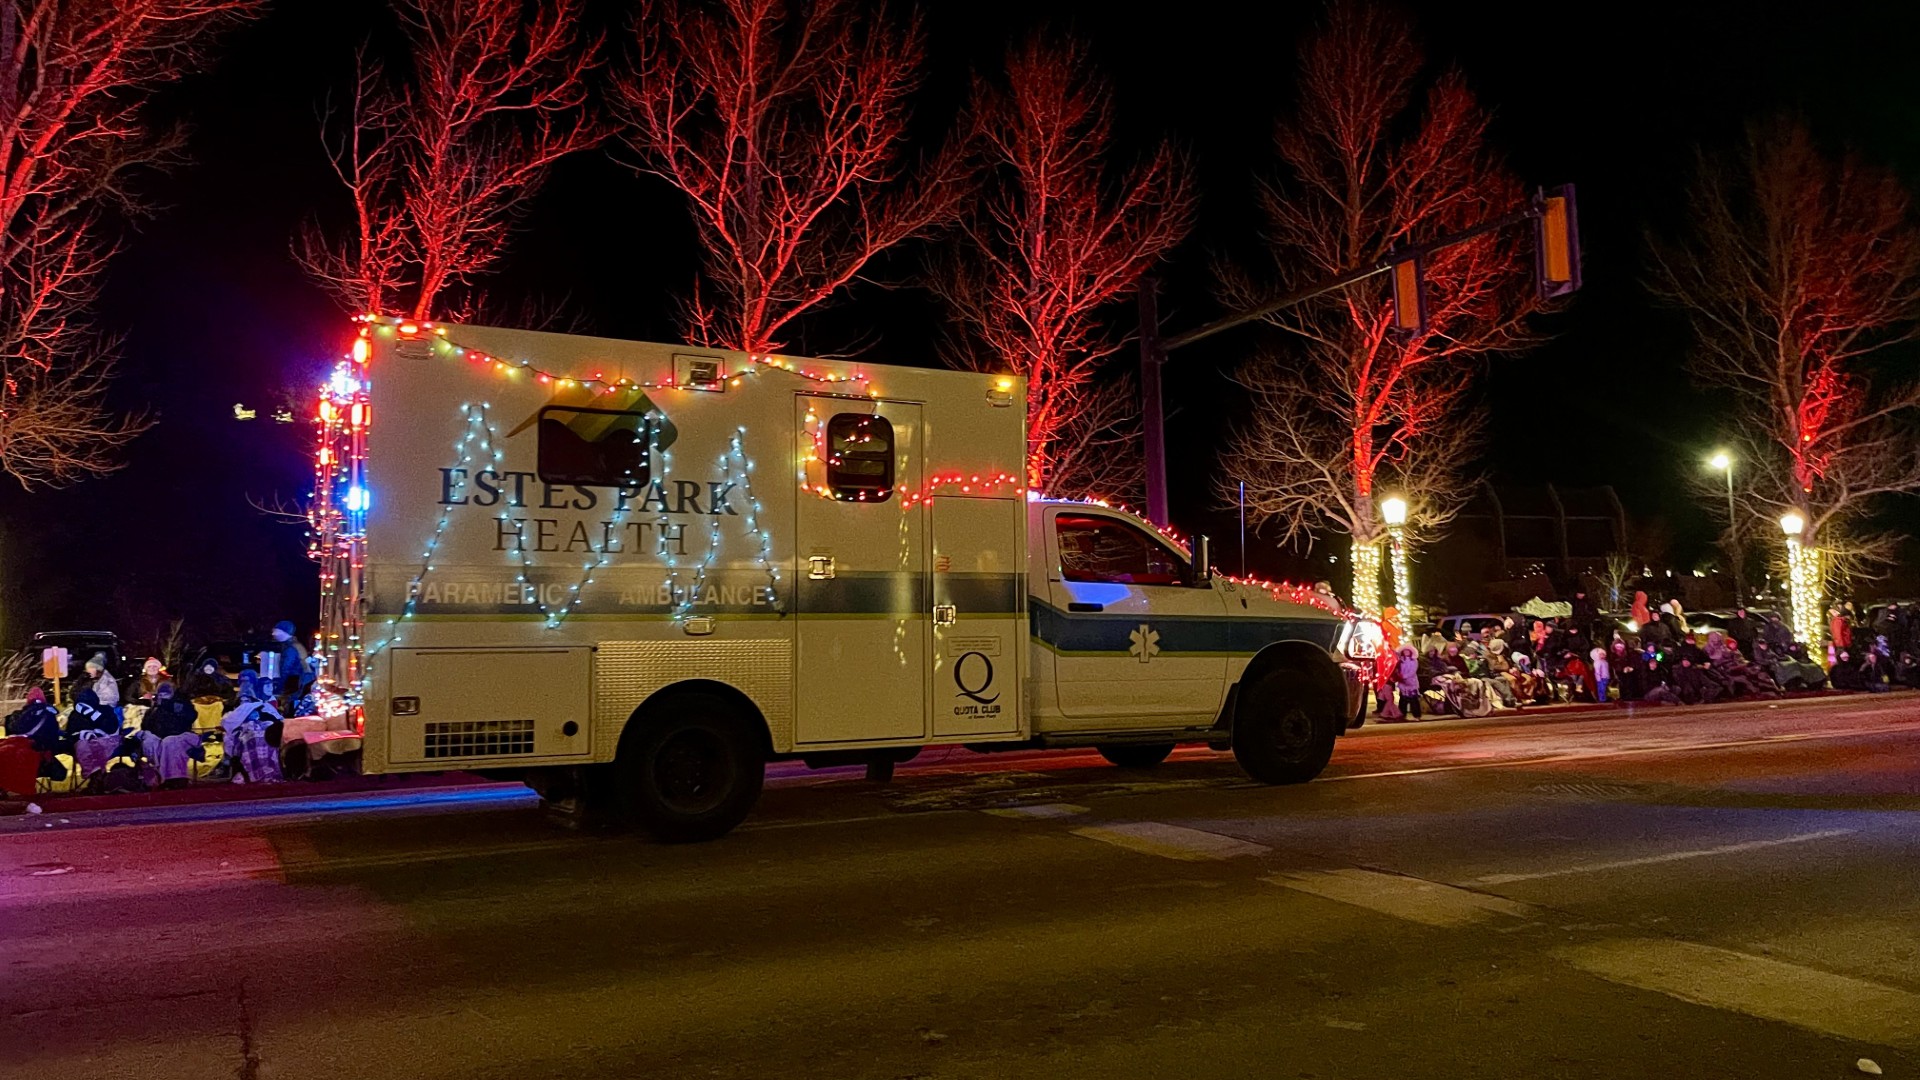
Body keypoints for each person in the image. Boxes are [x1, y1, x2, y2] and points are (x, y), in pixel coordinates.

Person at [129, 682, 205, 790]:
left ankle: (174, 778)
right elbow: (146, 725)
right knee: (150, 741)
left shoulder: (181, 704)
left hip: (180, 737)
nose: (163, 697)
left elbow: (190, 717)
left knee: (170, 743)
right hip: (159, 737)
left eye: (166, 695)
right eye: (161, 695)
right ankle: (158, 776)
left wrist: (171, 706)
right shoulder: (154, 709)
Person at [211, 672, 284, 783]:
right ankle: (253, 772)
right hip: (246, 731)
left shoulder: (263, 704)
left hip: (265, 729)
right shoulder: (235, 705)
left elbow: (276, 718)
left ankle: (268, 770)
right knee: (251, 737)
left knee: (266, 737)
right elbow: (230, 720)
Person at [66, 687, 127, 786]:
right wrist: (83, 735)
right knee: (84, 746)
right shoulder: (76, 715)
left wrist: (95, 716)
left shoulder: (104, 710)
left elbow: (111, 728)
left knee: (93, 746)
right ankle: (97, 777)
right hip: (88, 746)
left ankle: (97, 778)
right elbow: (71, 734)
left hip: (104, 742)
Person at [264, 621, 314, 713]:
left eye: (276, 631)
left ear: (284, 632)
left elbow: (285, 669)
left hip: (297, 682)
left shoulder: (290, 649)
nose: (273, 634)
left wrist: (279, 687)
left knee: (288, 704)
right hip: (301, 680)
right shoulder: (295, 645)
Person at [1392, 645, 1422, 719]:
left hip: (1412, 682)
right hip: (1403, 683)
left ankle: (1416, 714)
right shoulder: (1400, 661)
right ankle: (1402, 714)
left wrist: (1405, 676)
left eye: (1408, 651)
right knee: (1403, 699)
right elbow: (1398, 669)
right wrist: (1399, 676)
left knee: (1414, 699)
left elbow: (1413, 671)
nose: (1406, 652)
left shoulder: (1414, 661)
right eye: (1405, 651)